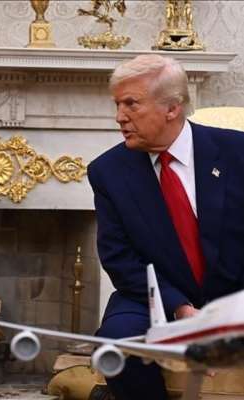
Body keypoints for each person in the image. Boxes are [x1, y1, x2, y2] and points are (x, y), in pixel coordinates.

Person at [87, 54, 244, 400]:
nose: (119, 116)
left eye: (131, 104)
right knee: (117, 342)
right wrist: (181, 308)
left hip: (234, 292)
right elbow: (119, 258)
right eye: (117, 104)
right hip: (155, 297)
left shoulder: (237, 153)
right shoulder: (108, 172)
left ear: (172, 108)